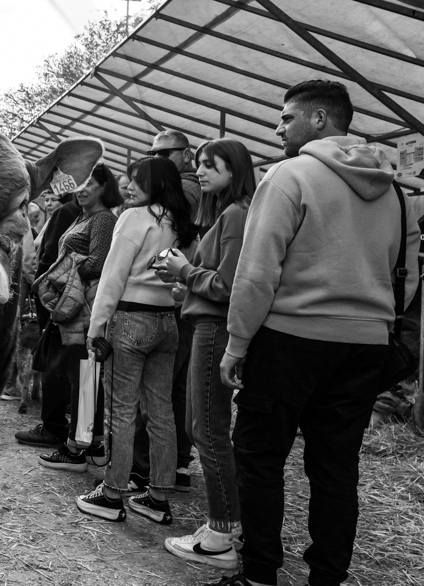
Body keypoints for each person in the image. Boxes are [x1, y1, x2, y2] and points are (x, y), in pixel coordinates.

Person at [215, 81, 399, 586]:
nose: (278, 128)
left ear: (319, 120)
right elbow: (398, 268)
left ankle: (259, 574)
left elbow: (257, 272)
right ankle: (327, 577)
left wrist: (237, 343)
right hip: (365, 344)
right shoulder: (391, 187)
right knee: (336, 466)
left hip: (291, 340)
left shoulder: (289, 176)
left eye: (286, 118)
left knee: (259, 457)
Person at [76, 156, 197, 525]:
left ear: (156, 183)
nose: (130, 187)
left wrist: (96, 326)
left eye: (137, 181)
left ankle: (112, 493)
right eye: (129, 180)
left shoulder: (135, 218)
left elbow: (113, 274)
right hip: (167, 323)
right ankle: (157, 497)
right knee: (160, 411)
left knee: (122, 411)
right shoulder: (182, 224)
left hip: (129, 319)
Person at [156, 139, 256, 570]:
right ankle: (226, 525)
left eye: (209, 164)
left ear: (233, 169)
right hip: (207, 323)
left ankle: (222, 534)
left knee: (208, 429)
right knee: (204, 426)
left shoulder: (235, 214)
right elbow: (215, 281)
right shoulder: (224, 213)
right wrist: (186, 285)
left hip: (213, 330)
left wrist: (184, 271)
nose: (200, 170)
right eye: (197, 164)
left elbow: (229, 286)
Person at [35, 163, 123, 470]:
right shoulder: (85, 216)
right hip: (77, 304)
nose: (81, 189)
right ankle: (94, 444)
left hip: (85, 306)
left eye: (90, 184)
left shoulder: (102, 220)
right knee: (84, 375)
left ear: (104, 188)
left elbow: (98, 263)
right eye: (79, 184)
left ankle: (76, 450)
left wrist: (59, 276)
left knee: (84, 377)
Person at [134, 129, 203, 492]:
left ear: (185, 154)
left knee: (155, 391)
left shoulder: (184, 191)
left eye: (164, 153)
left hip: (171, 299)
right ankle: (176, 463)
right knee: (176, 388)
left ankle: (145, 468)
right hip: (190, 299)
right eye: (152, 152)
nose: (156, 158)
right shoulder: (199, 187)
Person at [15, 190, 82, 446]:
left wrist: (39, 287)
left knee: (52, 359)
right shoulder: (95, 216)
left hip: (57, 298)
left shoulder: (68, 213)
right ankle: (69, 426)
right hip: (69, 299)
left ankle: (54, 427)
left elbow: (45, 256)